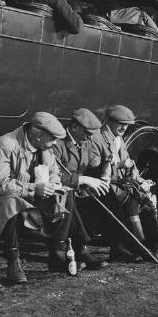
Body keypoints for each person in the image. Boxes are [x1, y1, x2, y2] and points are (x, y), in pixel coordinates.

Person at [0, 112, 97, 284]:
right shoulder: (7, 144)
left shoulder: (44, 148)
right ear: (39, 135)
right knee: (10, 202)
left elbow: (54, 172)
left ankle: (57, 254)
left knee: (66, 193)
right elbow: (0, 185)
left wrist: (53, 185)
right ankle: (13, 261)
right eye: (53, 139)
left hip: (32, 192)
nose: (55, 143)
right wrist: (34, 188)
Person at [89, 105, 158, 261]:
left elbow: (129, 167)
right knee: (131, 198)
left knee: (145, 197)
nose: (125, 127)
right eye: (121, 123)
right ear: (108, 121)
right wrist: (119, 164)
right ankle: (139, 246)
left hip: (120, 184)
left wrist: (141, 181)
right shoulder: (97, 139)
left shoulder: (118, 139)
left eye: (127, 124)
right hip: (104, 185)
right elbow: (93, 167)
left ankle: (153, 245)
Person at [51, 108, 113, 267]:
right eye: (87, 132)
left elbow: (94, 163)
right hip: (55, 192)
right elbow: (55, 177)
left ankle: (120, 244)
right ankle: (75, 250)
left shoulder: (85, 141)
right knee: (70, 199)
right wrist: (83, 179)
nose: (91, 136)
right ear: (75, 127)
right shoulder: (57, 143)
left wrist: (106, 166)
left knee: (110, 195)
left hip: (78, 190)